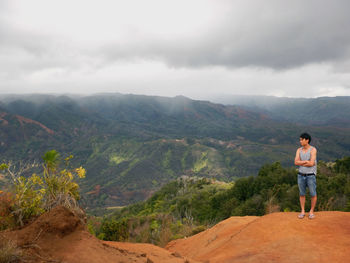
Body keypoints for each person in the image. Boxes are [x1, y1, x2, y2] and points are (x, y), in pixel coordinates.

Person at [294, 133, 317, 219]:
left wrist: (302, 162)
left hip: (311, 175)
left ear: (307, 140)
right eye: (300, 139)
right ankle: (302, 211)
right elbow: (295, 162)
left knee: (313, 194)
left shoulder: (313, 149)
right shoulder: (298, 150)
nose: (300, 141)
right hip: (300, 175)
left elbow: (311, 163)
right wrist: (306, 162)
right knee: (302, 194)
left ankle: (311, 211)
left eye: (301, 139)